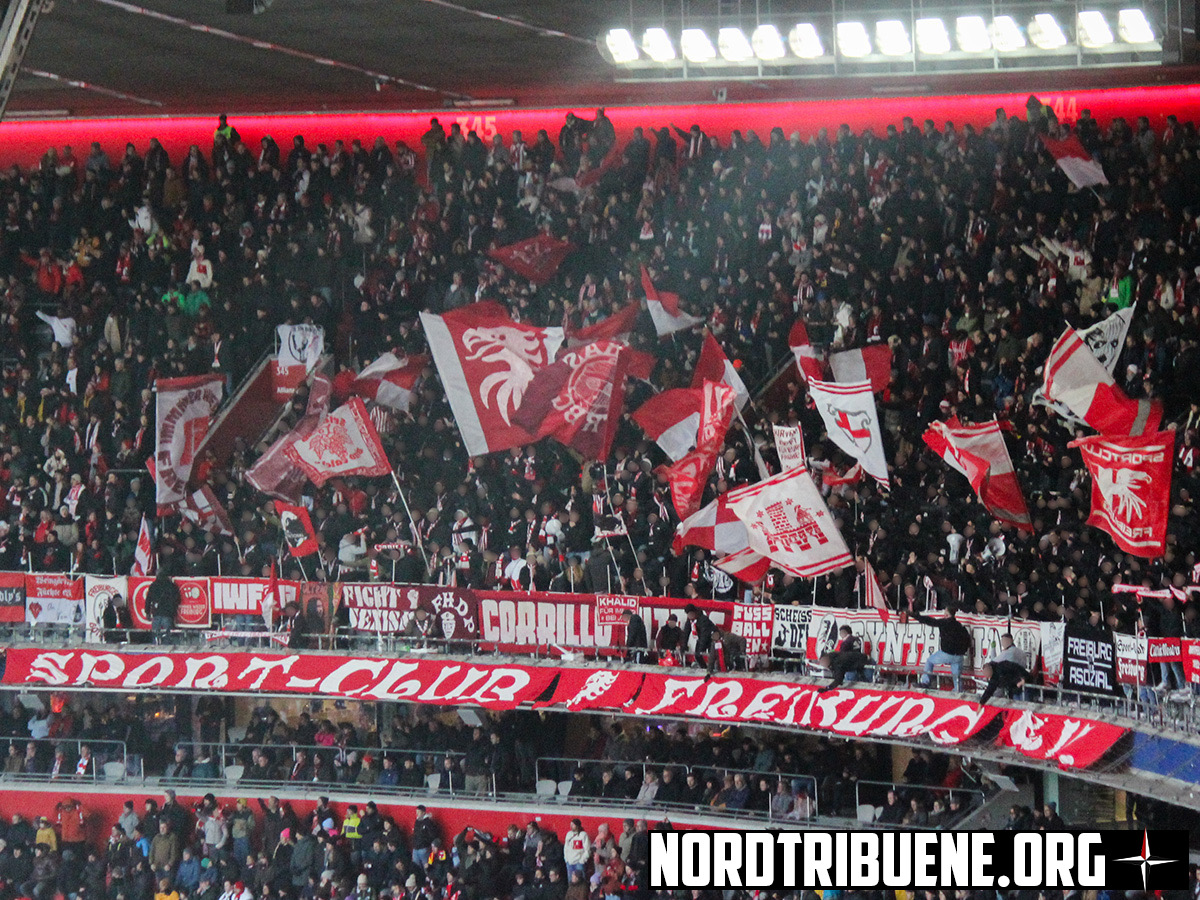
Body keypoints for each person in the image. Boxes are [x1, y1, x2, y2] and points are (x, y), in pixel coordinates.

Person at [914, 605, 972, 692]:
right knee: (956, 676)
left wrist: (916, 616)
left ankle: (925, 682)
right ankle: (958, 691)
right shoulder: (959, 625)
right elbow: (968, 640)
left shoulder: (944, 623)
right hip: (959, 656)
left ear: (946, 615)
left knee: (930, 661)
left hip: (947, 654)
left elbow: (930, 621)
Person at [145, 572, 180, 645]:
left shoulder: (153, 585)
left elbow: (148, 599)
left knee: (155, 635)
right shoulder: (172, 586)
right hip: (168, 613)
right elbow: (177, 599)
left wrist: (147, 612)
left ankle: (155, 649)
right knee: (167, 635)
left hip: (156, 613)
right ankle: (166, 650)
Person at [682, 603, 714, 668]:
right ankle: (704, 668)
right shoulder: (690, 620)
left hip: (711, 638)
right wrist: (684, 645)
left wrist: (701, 648)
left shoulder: (703, 619)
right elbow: (686, 632)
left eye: (690, 614)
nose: (689, 616)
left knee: (712, 656)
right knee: (697, 655)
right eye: (688, 615)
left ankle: (712, 668)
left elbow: (704, 635)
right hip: (701, 638)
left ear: (694, 612)